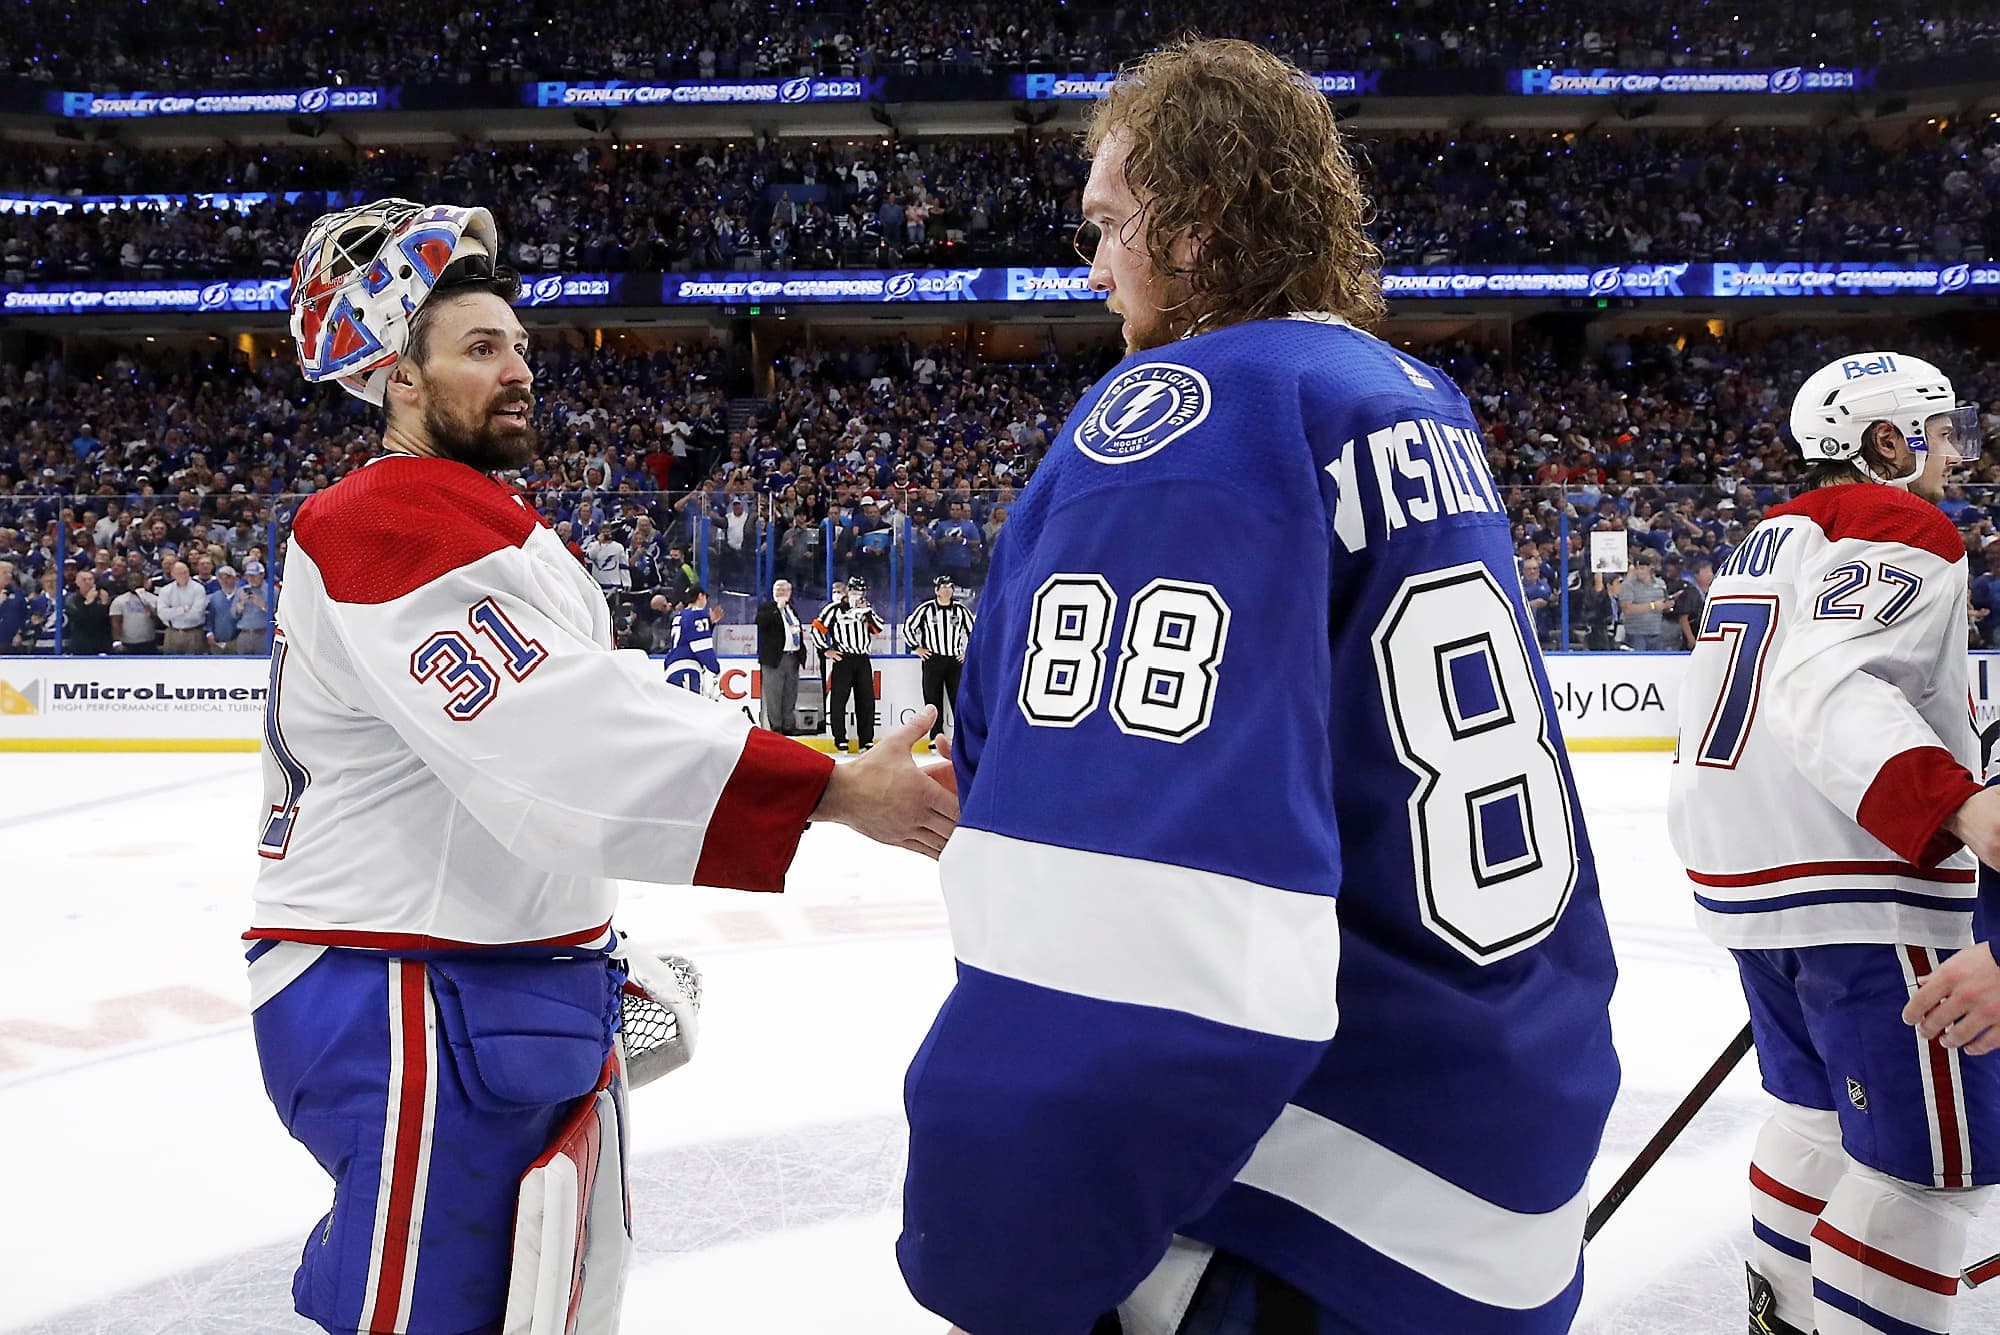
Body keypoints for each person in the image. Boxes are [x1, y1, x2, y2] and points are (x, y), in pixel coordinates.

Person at [898, 40, 1618, 1335]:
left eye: (1112, 225)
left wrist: (995, 1245)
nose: (1094, 266)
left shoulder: (1187, 414)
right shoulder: (1406, 394)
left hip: (1320, 1215)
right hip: (1495, 1144)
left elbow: (1136, 915)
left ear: (1201, 221)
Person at [256, 198, 957, 1335]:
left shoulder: (465, 515)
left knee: (524, 1300)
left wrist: (586, 962)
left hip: (470, 978)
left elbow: (562, 732)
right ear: (398, 378)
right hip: (407, 989)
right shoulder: (384, 517)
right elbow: (555, 736)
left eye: (519, 345)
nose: (519, 368)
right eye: (480, 349)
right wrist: (826, 790)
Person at [1670, 351, 2000, 1335]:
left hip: (1756, 882)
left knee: (1813, 1126)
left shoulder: (1764, 536)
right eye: (1937, 431)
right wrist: (1962, 808)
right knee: (1926, 1182)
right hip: (1866, 882)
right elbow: (1829, 690)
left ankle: (1786, 1320)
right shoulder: (1900, 520)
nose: (1951, 452)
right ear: (1885, 442)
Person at [813, 575, 884, 753]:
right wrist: (826, 650)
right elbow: (817, 629)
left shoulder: (867, 610)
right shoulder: (834, 609)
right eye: (854, 590)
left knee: (866, 700)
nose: (857, 594)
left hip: (862, 659)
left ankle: (866, 740)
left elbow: (878, 629)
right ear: (848, 591)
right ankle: (840, 739)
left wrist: (867, 612)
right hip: (843, 659)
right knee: (839, 700)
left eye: (860, 591)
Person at [903, 574, 974, 750]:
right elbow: (908, 628)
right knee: (933, 700)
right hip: (933, 659)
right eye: (943, 587)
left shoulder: (960, 610)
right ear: (936, 590)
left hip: (954, 660)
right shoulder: (926, 609)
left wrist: (968, 653)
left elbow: (975, 632)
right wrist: (916, 647)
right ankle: (936, 736)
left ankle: (961, 738)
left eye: (950, 587)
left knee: (958, 700)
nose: (947, 590)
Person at [755, 577, 807, 734]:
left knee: (790, 693)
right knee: (774, 694)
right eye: (777, 589)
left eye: (784, 590)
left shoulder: (792, 610)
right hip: (775, 659)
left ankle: (788, 725)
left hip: (792, 657)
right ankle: (776, 726)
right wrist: (778, 608)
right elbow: (761, 622)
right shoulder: (767, 608)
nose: (780, 593)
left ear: (790, 592)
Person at [662, 587, 721, 697]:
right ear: (700, 596)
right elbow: (701, 646)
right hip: (687, 670)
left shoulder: (679, 615)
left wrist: (710, 625)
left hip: (672, 670)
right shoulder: (698, 614)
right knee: (689, 711)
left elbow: (687, 638)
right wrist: (715, 668)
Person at [156, 559, 209, 654]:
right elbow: (162, 614)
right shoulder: (166, 590)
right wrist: (183, 609)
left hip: (193, 633)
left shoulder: (198, 589)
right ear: (173, 574)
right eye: (179, 573)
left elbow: (196, 615)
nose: (183, 575)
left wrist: (172, 612)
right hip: (172, 633)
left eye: (185, 572)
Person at [64, 569, 112, 654]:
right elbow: (79, 619)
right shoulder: (72, 600)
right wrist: (88, 603)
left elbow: (105, 620)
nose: (87, 582)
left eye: (90, 579)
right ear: (77, 582)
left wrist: (104, 605)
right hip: (81, 644)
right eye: (84, 580)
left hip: (101, 643)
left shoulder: (102, 597)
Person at [110, 578, 159, 654]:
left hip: (148, 642)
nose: (134, 583)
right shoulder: (119, 600)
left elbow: (161, 621)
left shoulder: (154, 599)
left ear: (143, 582)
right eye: (131, 580)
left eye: (136, 580)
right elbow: (115, 622)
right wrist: (117, 642)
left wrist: (152, 614)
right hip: (127, 643)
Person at [234, 562, 272, 654]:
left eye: (253, 576)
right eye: (248, 576)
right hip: (244, 634)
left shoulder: (272, 590)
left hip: (263, 634)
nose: (250, 579)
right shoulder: (241, 591)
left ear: (262, 575)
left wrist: (262, 604)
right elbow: (233, 615)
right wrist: (240, 605)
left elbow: (277, 614)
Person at [206, 565, 243, 653]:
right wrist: (209, 633)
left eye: (228, 577)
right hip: (217, 642)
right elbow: (210, 618)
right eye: (221, 578)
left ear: (235, 578)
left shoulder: (242, 595)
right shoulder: (214, 597)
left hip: (237, 641)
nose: (224, 581)